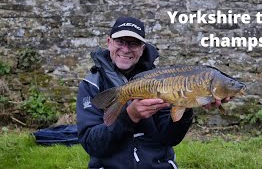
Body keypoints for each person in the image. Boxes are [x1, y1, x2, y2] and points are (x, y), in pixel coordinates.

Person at [76, 16, 230, 169]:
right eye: (120, 41)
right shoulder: (91, 85)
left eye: (133, 43)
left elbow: (170, 138)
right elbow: (92, 145)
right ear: (109, 42)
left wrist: (187, 103)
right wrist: (129, 116)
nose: (125, 49)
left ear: (142, 48)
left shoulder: (164, 80)